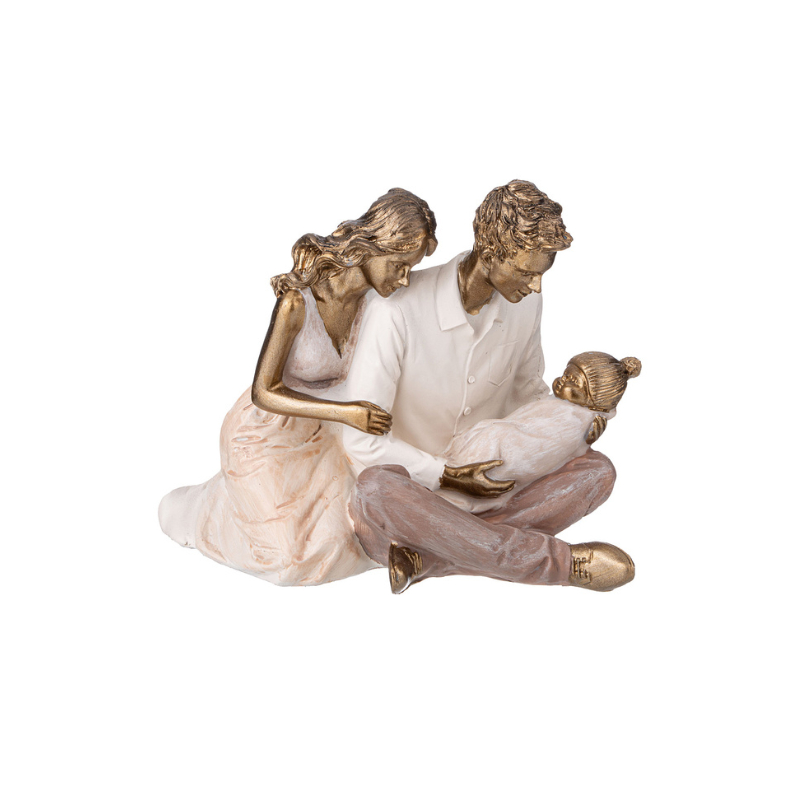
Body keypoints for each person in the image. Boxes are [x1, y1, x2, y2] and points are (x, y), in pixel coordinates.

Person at [342, 180, 635, 593]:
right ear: (491, 252)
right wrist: (449, 477)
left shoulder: (526, 303)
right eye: (527, 272)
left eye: (541, 275)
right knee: (374, 488)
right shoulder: (394, 311)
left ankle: (431, 558)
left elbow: (527, 394)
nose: (535, 286)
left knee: (597, 472)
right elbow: (360, 442)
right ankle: (555, 564)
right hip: (411, 502)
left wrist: (573, 424)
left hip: (497, 489)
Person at [159, 188, 437, 586]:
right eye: (400, 265)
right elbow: (263, 392)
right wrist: (347, 412)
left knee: (339, 541)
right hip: (266, 434)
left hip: (325, 437)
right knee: (290, 559)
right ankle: (200, 511)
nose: (404, 278)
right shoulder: (298, 302)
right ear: (374, 247)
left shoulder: (377, 306)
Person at [441, 351, 642, 512]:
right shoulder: (562, 405)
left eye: (573, 381)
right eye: (565, 374)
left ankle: (459, 489)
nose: (563, 380)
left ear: (593, 399)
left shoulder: (574, 422)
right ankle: (450, 470)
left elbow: (539, 449)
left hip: (510, 456)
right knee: (490, 431)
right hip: (502, 439)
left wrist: (500, 435)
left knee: (494, 435)